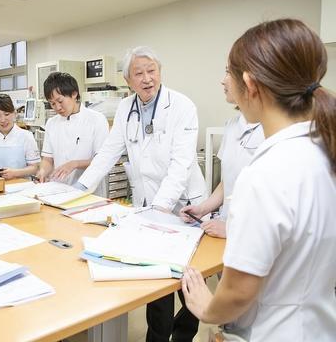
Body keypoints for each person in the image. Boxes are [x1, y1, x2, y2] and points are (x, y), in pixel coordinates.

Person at [181, 19, 336, 341]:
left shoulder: (267, 172)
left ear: (249, 84)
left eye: (229, 72)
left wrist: (206, 309)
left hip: (271, 331)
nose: (224, 81)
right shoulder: (322, 149)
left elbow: (239, 291)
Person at [77, 47, 207, 342]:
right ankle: (157, 338)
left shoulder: (182, 106)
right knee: (156, 281)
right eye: (139, 73)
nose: (147, 78)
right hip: (148, 204)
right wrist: (81, 188)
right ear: (128, 80)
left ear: (160, 72)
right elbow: (110, 150)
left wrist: (160, 207)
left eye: (152, 70)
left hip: (184, 205)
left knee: (190, 283)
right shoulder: (126, 108)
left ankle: (184, 335)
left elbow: (182, 162)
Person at [179, 70, 264, 238]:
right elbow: (228, 182)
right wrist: (201, 209)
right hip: (224, 229)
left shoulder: (272, 130)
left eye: (228, 73)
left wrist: (233, 230)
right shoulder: (232, 126)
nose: (222, 81)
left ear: (249, 79)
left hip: (252, 236)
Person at [36, 72, 109, 194]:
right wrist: (43, 171)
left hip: (89, 192)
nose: (57, 107)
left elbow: (102, 160)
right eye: (52, 103)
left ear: (74, 94)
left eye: (60, 101)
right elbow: (48, 159)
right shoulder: (51, 123)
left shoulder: (97, 120)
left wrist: (75, 164)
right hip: (58, 191)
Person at [0, 93, 40, 179]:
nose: (3, 120)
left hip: (20, 187)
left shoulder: (26, 136)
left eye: (7, 114)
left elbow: (34, 168)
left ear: (14, 113)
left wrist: (15, 173)